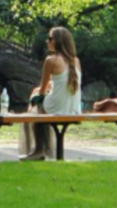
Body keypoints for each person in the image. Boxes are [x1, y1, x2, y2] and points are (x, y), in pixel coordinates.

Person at [19, 26, 82, 161]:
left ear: (58, 41)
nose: (47, 41)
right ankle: (44, 148)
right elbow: (61, 83)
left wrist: (35, 95)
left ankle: (38, 149)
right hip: (73, 110)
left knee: (35, 105)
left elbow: (42, 91)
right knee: (40, 105)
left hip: (56, 108)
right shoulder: (75, 61)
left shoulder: (51, 60)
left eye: (50, 39)